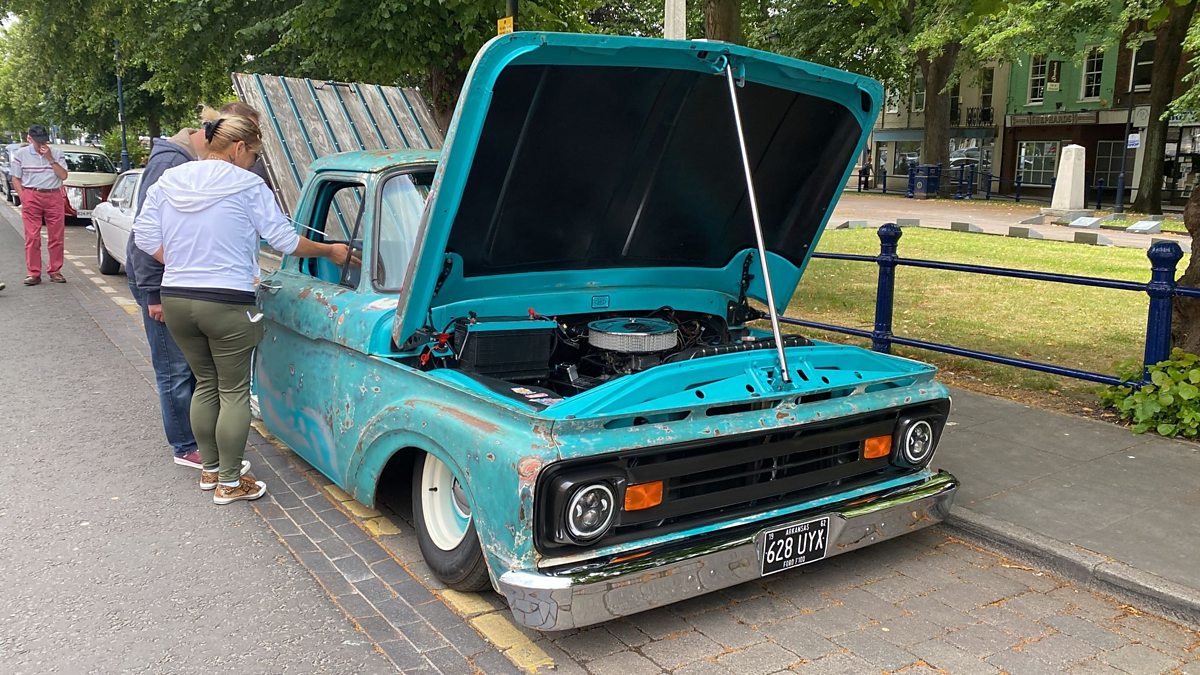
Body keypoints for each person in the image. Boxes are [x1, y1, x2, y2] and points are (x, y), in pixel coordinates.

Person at [134, 108, 352, 504]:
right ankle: (231, 483)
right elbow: (284, 241)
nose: (254, 162)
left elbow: (145, 237)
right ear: (237, 147)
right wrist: (330, 251)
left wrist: (184, 262)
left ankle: (210, 470)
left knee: (205, 383)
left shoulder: (170, 179)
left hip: (177, 298)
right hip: (227, 302)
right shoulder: (248, 185)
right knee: (233, 391)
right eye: (254, 154)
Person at [128, 126, 207, 469]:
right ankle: (185, 446)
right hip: (161, 285)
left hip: (175, 282)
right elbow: (146, 233)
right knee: (174, 368)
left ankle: (195, 436)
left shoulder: (185, 159)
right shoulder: (172, 163)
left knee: (187, 366)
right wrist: (153, 293)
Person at [11, 124, 68, 286]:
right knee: (32, 236)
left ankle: (55, 270)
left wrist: (50, 159)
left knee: (56, 236)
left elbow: (63, 176)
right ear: (29, 139)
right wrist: (23, 197)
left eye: (44, 140)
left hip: (53, 195)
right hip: (32, 194)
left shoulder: (57, 153)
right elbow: (16, 178)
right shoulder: (21, 154)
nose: (42, 144)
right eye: (38, 141)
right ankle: (33, 273)